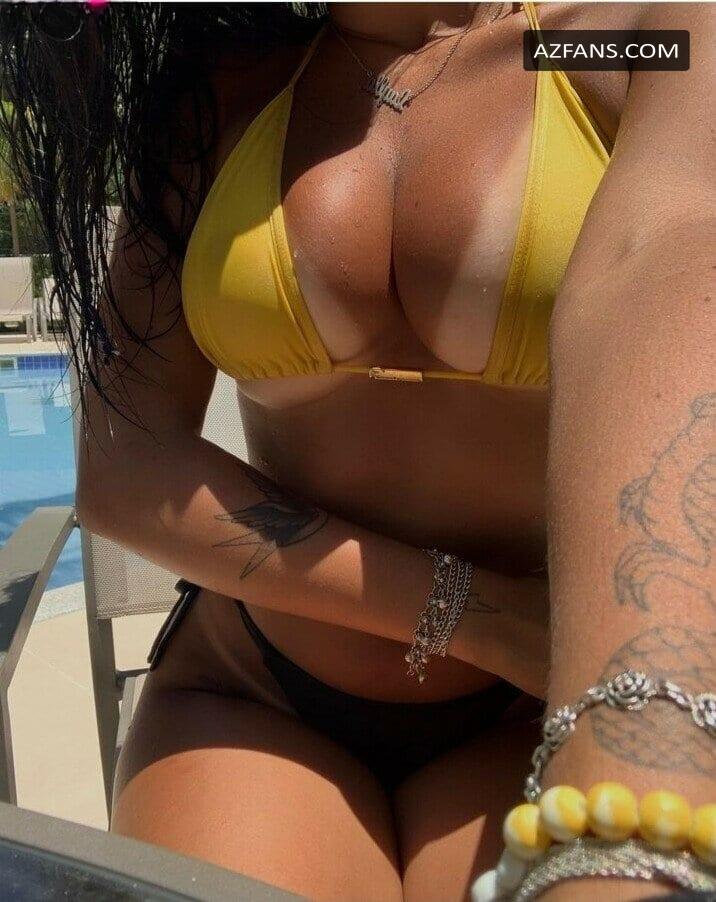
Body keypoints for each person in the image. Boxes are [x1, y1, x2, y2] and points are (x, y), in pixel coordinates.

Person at [1, 2, 712, 900]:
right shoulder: (225, 84)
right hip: (254, 695)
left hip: (533, 704)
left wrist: (642, 754)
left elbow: (672, 253)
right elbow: (124, 467)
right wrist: (487, 620)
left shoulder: (631, 37)